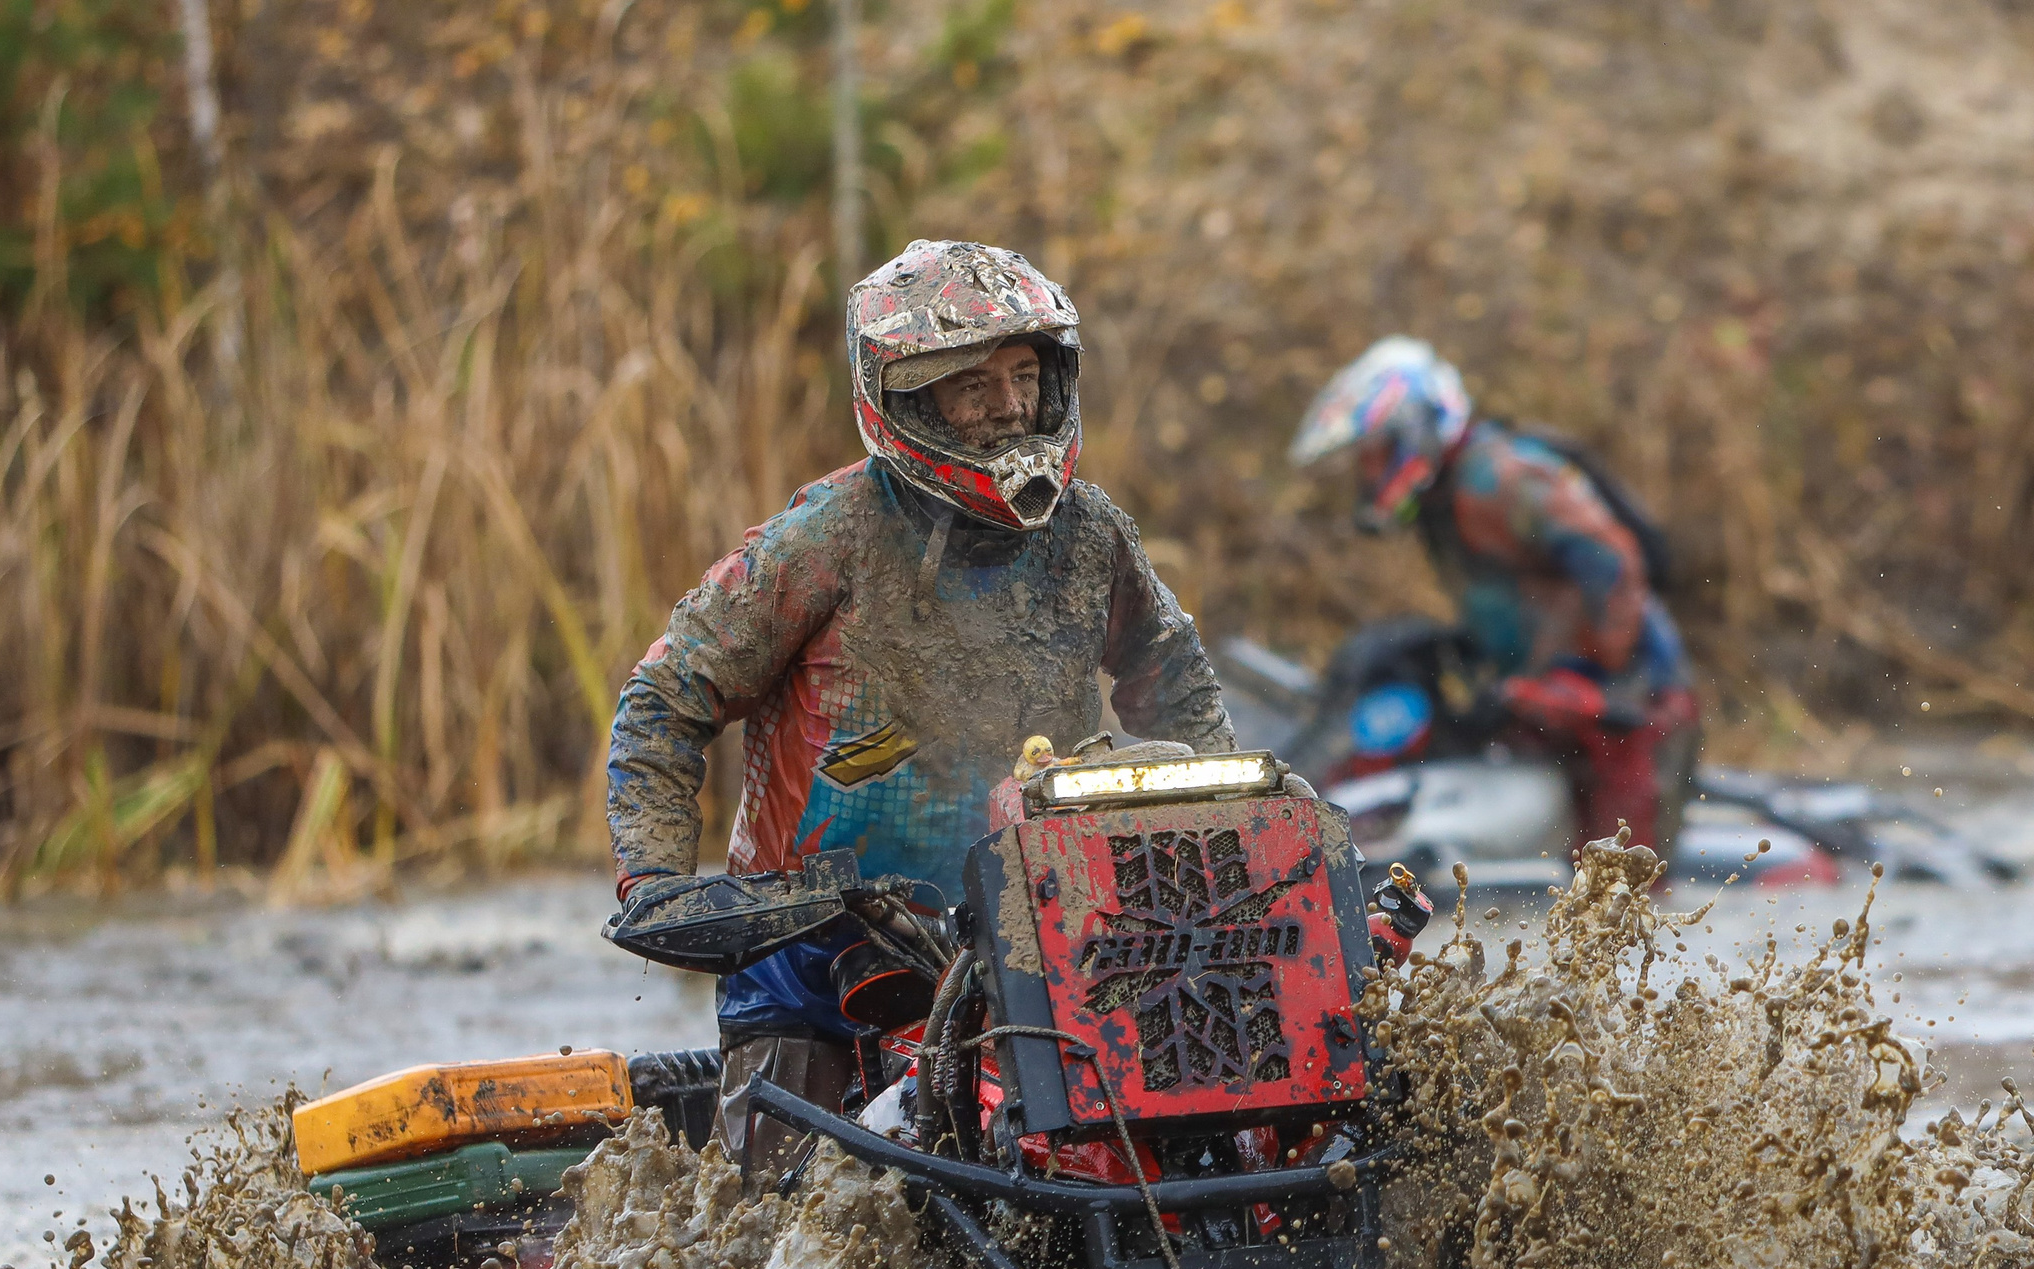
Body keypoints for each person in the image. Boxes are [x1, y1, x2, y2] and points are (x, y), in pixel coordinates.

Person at [606, 239, 1234, 1185]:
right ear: (906, 398)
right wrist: (654, 879)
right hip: (811, 953)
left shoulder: (1091, 534)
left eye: (1025, 376)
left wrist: (1228, 843)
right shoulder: (833, 531)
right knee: (777, 1250)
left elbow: (1177, 686)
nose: (1010, 407)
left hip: (1032, 941)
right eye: (972, 386)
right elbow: (667, 695)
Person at [1289, 337, 1700, 857]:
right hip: (1576, 704)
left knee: (1627, 892)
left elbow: (1614, 565)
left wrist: (1580, 680)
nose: (1369, 474)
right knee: (1575, 881)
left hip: (1631, 708)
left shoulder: (1498, 475)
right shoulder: (1449, 493)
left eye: (1376, 455)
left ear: (1415, 428)